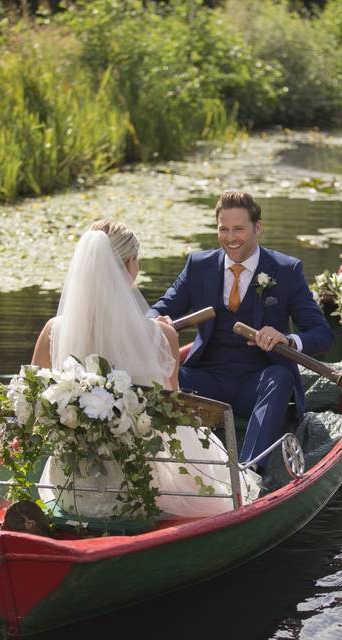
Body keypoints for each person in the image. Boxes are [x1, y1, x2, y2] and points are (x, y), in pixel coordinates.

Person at [29, 219, 261, 519]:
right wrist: (161, 334)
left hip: (70, 486)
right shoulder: (162, 336)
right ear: (128, 264)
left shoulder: (53, 331)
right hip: (140, 488)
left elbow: (36, 400)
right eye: (136, 261)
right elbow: (172, 411)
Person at [149, 191, 333, 469]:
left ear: (257, 228)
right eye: (223, 229)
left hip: (258, 383)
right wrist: (151, 321)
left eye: (239, 229)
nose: (230, 238)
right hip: (207, 380)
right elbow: (164, 306)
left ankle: (247, 470)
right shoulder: (198, 266)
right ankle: (166, 466)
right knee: (164, 377)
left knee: (280, 377)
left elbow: (322, 334)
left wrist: (288, 339)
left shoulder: (286, 270)